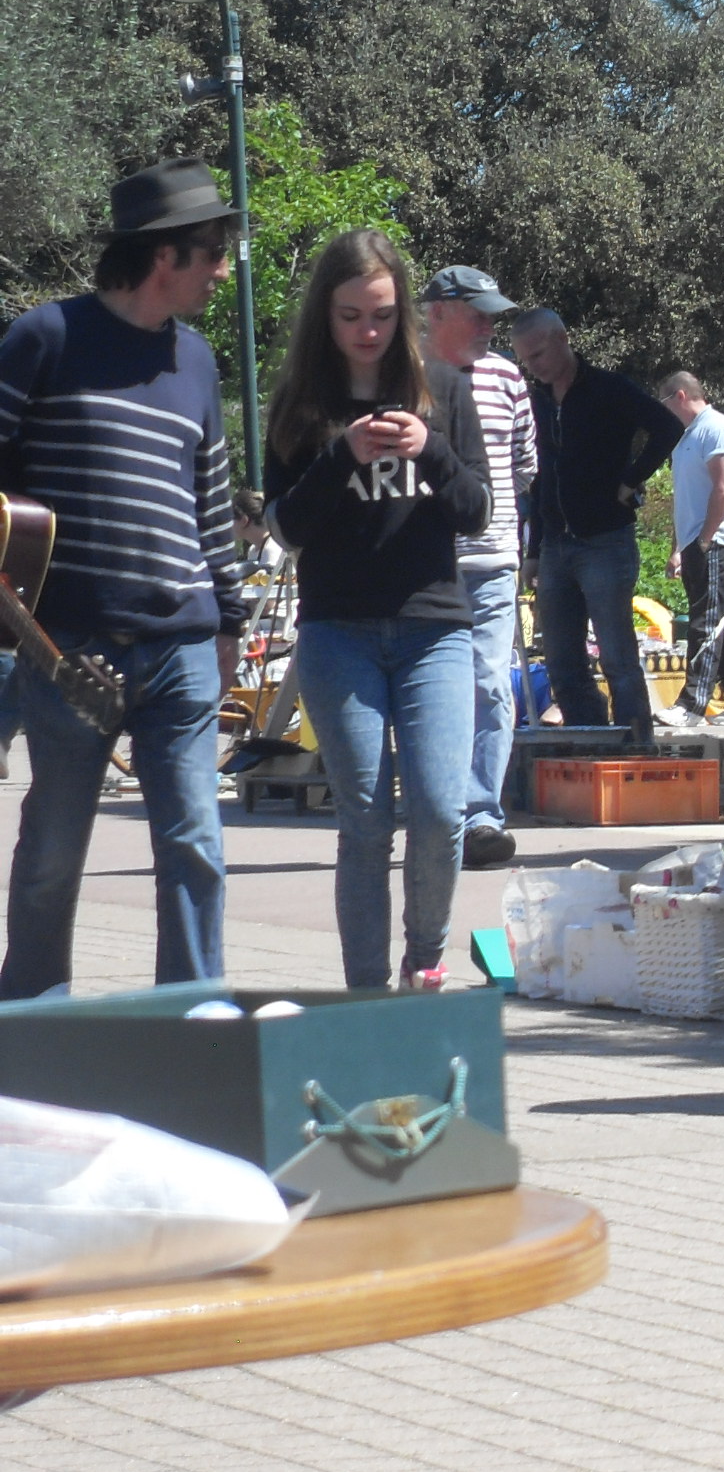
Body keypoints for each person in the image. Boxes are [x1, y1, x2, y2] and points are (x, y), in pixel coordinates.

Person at [0, 159, 244, 1000]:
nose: (223, 269)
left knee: (196, 846)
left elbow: (211, 497)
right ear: (163, 255)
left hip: (181, 645)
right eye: (212, 251)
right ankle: (32, 1029)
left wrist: (231, 618)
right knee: (53, 855)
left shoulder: (199, 362)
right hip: (68, 648)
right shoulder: (44, 339)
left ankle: (194, 1023)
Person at [266, 231, 491, 991]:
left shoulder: (446, 391)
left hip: (434, 628)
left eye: (385, 315)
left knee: (437, 807)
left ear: (406, 315)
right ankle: (365, 991)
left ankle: (422, 960)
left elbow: (476, 511)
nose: (368, 332)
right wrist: (342, 456)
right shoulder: (301, 404)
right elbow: (287, 527)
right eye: (351, 315)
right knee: (364, 819)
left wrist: (429, 447)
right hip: (339, 632)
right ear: (324, 318)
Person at [512, 309, 683, 738]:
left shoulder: (609, 388)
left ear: (562, 339)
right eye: (526, 360)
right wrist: (533, 552)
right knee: (561, 657)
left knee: (617, 654)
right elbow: (539, 479)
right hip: (554, 544)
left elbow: (666, 427)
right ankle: (586, 741)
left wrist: (632, 478)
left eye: (538, 355)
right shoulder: (536, 402)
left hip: (605, 538)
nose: (534, 367)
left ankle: (634, 747)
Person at [422, 264, 536, 870]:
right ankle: (438, 811)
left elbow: (523, 465)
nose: (490, 325)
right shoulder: (405, 377)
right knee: (436, 692)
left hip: (491, 560)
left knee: (490, 684)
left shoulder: (507, 378)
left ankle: (480, 815)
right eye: (479, 313)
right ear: (439, 311)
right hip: (425, 565)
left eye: (494, 314)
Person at [654, 371, 724, 728]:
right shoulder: (687, 438)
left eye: (664, 403)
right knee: (721, 617)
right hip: (697, 542)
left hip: (716, 540)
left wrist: (706, 538)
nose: (663, 411)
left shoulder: (717, 428)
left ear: (680, 396)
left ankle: (692, 704)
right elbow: (687, 499)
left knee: (706, 620)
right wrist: (678, 547)